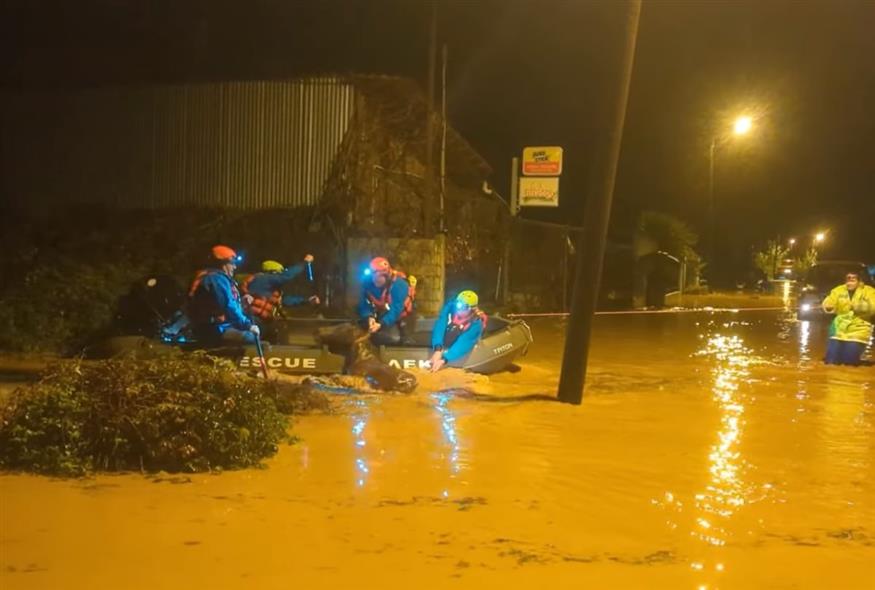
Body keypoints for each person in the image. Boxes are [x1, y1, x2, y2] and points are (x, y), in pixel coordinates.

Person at [188, 245, 260, 345]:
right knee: (251, 337)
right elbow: (229, 306)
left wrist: (242, 302)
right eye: (232, 263)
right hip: (213, 330)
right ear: (222, 263)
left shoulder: (215, 278)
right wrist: (248, 325)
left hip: (215, 327)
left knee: (256, 330)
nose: (234, 267)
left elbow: (225, 305)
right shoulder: (217, 280)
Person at [240, 255, 320, 324]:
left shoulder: (269, 287)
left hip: (261, 321)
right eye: (279, 273)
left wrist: (307, 300)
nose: (279, 275)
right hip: (254, 321)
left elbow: (285, 300)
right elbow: (286, 277)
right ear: (272, 272)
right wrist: (304, 263)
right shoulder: (263, 279)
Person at [357, 256, 415, 345]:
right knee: (361, 329)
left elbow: (396, 310)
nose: (374, 280)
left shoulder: (400, 285)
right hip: (382, 313)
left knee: (394, 338)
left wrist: (381, 324)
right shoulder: (369, 283)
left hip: (401, 316)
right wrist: (369, 316)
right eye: (373, 276)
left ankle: (406, 338)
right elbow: (364, 303)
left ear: (386, 276)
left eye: (378, 277)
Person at [822, 271, 875, 366]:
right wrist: (828, 306)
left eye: (853, 280)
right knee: (830, 362)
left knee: (849, 364)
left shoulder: (869, 291)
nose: (849, 282)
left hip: (859, 330)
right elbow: (829, 301)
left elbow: (873, 307)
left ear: (859, 281)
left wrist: (858, 306)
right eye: (848, 280)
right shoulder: (838, 290)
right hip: (838, 329)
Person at [429, 290, 488, 372]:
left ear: (472, 309)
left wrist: (444, 359)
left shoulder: (476, 323)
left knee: (456, 332)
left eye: (463, 307)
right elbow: (440, 326)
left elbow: (464, 343)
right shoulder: (449, 309)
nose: (459, 309)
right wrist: (438, 349)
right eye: (458, 305)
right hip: (448, 336)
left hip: (461, 339)